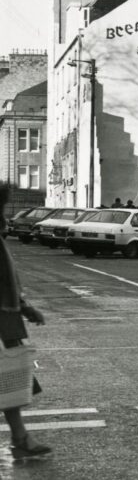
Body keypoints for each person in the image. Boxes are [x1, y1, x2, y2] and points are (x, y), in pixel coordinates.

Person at [0, 184, 51, 458]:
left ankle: (20, 438)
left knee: (7, 381)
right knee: (6, 380)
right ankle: (20, 439)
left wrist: (24, 308)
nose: (6, 218)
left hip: (6, 320)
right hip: (2, 322)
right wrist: (24, 308)